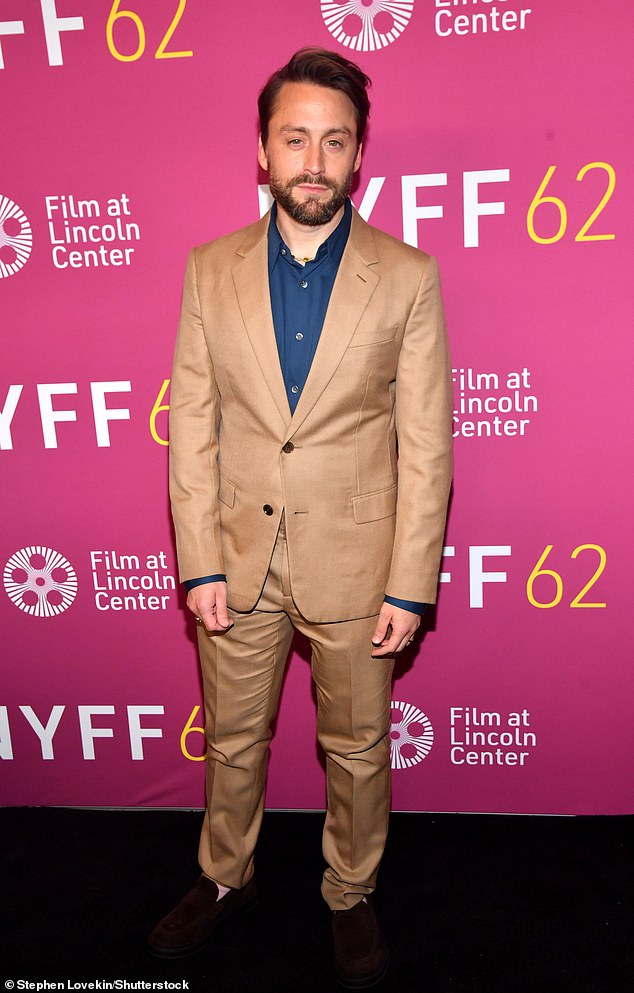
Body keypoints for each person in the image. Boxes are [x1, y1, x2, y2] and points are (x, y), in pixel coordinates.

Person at [149, 48, 452, 988]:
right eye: (296, 138)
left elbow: (427, 444)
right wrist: (197, 563)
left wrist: (410, 580)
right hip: (236, 560)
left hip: (359, 566)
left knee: (356, 747)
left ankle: (350, 890)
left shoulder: (408, 276)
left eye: (335, 140)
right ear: (264, 150)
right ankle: (224, 876)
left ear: (359, 154)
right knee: (233, 737)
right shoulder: (209, 270)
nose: (314, 159)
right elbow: (190, 427)